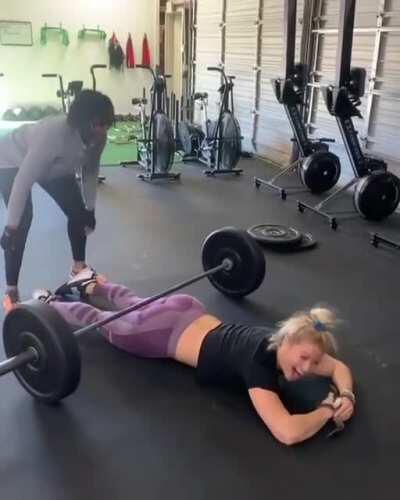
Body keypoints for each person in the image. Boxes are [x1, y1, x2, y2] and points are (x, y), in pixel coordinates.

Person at [34, 268, 355, 446]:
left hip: (187, 308)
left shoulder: (284, 342)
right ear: (288, 340)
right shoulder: (259, 366)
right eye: (304, 358)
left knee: (135, 302)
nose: (307, 368)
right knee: (102, 322)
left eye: (314, 362)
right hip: (163, 332)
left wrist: (347, 394)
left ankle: (89, 282)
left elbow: (338, 367)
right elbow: (287, 432)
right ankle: (46, 306)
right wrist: (327, 409)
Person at [0, 90, 115, 312]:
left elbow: (90, 170)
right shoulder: (52, 135)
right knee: (22, 222)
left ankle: (78, 271)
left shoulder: (98, 136)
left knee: (78, 212)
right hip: (11, 160)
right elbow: (23, 181)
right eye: (98, 124)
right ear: (82, 122)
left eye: (106, 125)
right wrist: (11, 227)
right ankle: (11, 291)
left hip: (54, 166)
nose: (102, 130)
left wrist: (89, 208)